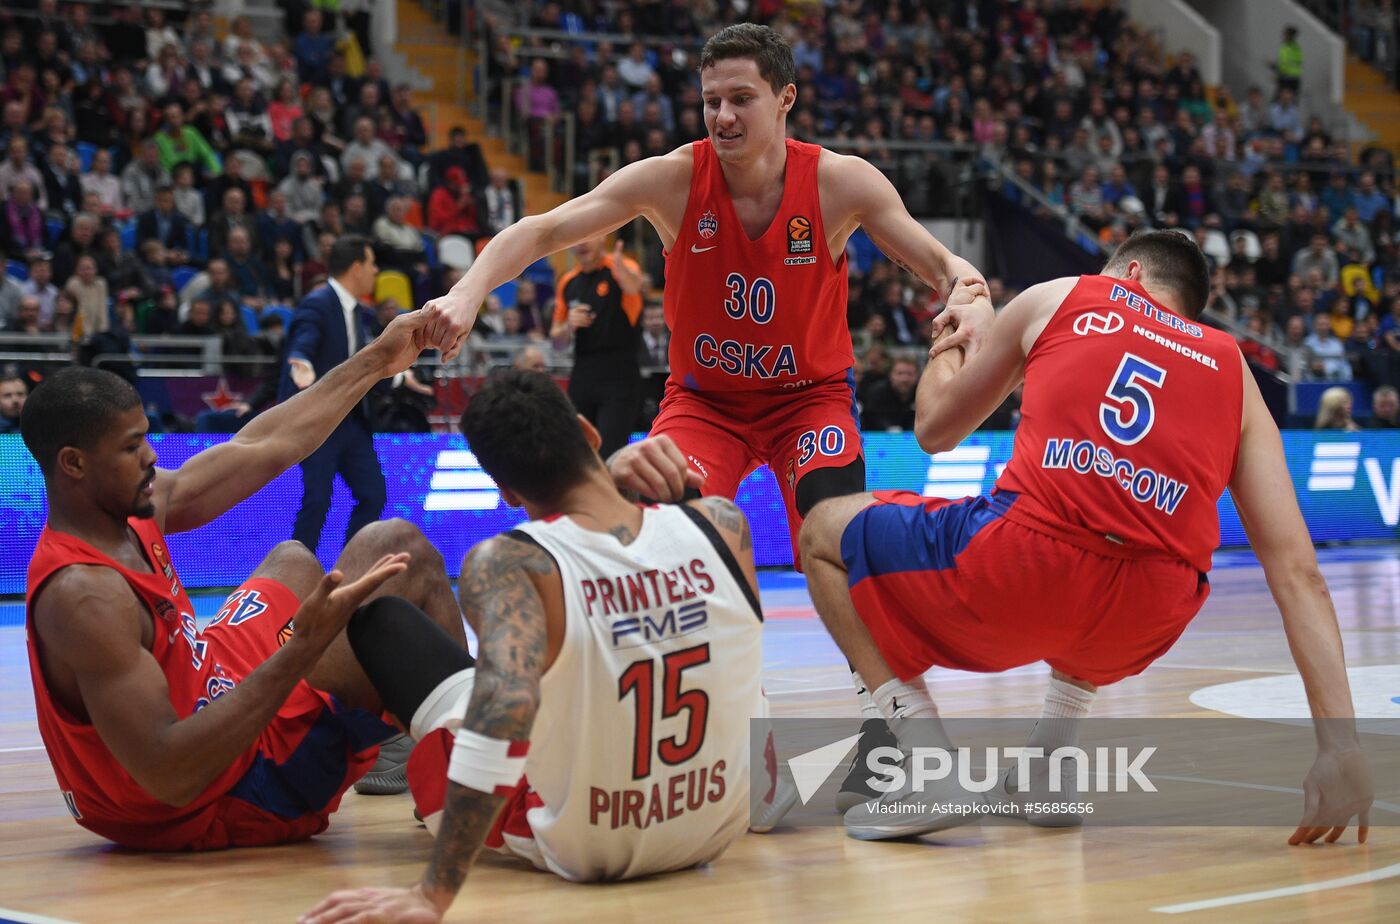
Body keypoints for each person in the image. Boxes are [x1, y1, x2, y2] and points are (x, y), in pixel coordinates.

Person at [419, 24, 991, 809]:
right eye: (711, 100)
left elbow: (943, 265)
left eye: (741, 100)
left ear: (785, 99)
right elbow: (547, 229)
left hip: (808, 400)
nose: (722, 116)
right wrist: (469, 290)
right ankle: (739, 746)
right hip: (706, 404)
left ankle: (893, 727)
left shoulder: (839, 184)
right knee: (659, 525)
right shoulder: (673, 180)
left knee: (836, 533)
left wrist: (972, 297)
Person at [796, 231, 1372, 845]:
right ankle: (1050, 764)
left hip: (1023, 568)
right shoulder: (1233, 366)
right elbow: (1298, 572)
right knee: (1131, 544)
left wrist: (955, 327)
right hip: (1148, 616)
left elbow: (935, 429)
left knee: (823, 531)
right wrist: (1340, 744)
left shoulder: (1067, 295)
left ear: (1125, 273)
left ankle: (925, 760)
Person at [303, 369, 790, 923]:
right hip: (717, 824)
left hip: (592, 844)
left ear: (506, 491)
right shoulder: (724, 523)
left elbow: (502, 720)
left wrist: (431, 894)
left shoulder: (509, 563)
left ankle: (374, 750)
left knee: (380, 622)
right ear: (589, 433)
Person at [18, 308, 470, 851]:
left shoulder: (127, 508)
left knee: (293, 560)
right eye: (130, 446)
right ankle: (469, 778)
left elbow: (266, 443)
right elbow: (171, 775)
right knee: (400, 548)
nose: (152, 455)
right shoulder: (85, 596)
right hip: (217, 795)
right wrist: (302, 648)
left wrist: (376, 360)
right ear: (73, 463)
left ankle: (408, 734)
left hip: (200, 701)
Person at [279, 236, 389, 557]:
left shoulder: (358, 312)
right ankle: (295, 574)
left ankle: (347, 569)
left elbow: (361, 362)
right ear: (357, 268)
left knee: (373, 495)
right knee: (318, 499)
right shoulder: (318, 303)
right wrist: (300, 362)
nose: (375, 271)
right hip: (320, 422)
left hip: (352, 422)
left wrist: (396, 380)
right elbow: (304, 341)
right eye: (372, 264)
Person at [550, 236, 645, 458]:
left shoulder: (621, 267)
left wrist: (621, 269)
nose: (581, 243)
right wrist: (568, 326)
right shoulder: (568, 281)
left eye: (588, 236)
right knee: (578, 455)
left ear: (602, 237)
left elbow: (634, 285)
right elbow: (556, 341)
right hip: (583, 374)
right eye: (577, 237)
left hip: (619, 375)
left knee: (611, 454)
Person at [859, 355, 919, 431]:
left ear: (917, 376)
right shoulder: (876, 392)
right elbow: (870, 419)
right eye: (900, 373)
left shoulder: (923, 394)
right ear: (891, 375)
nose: (905, 379)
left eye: (909, 374)